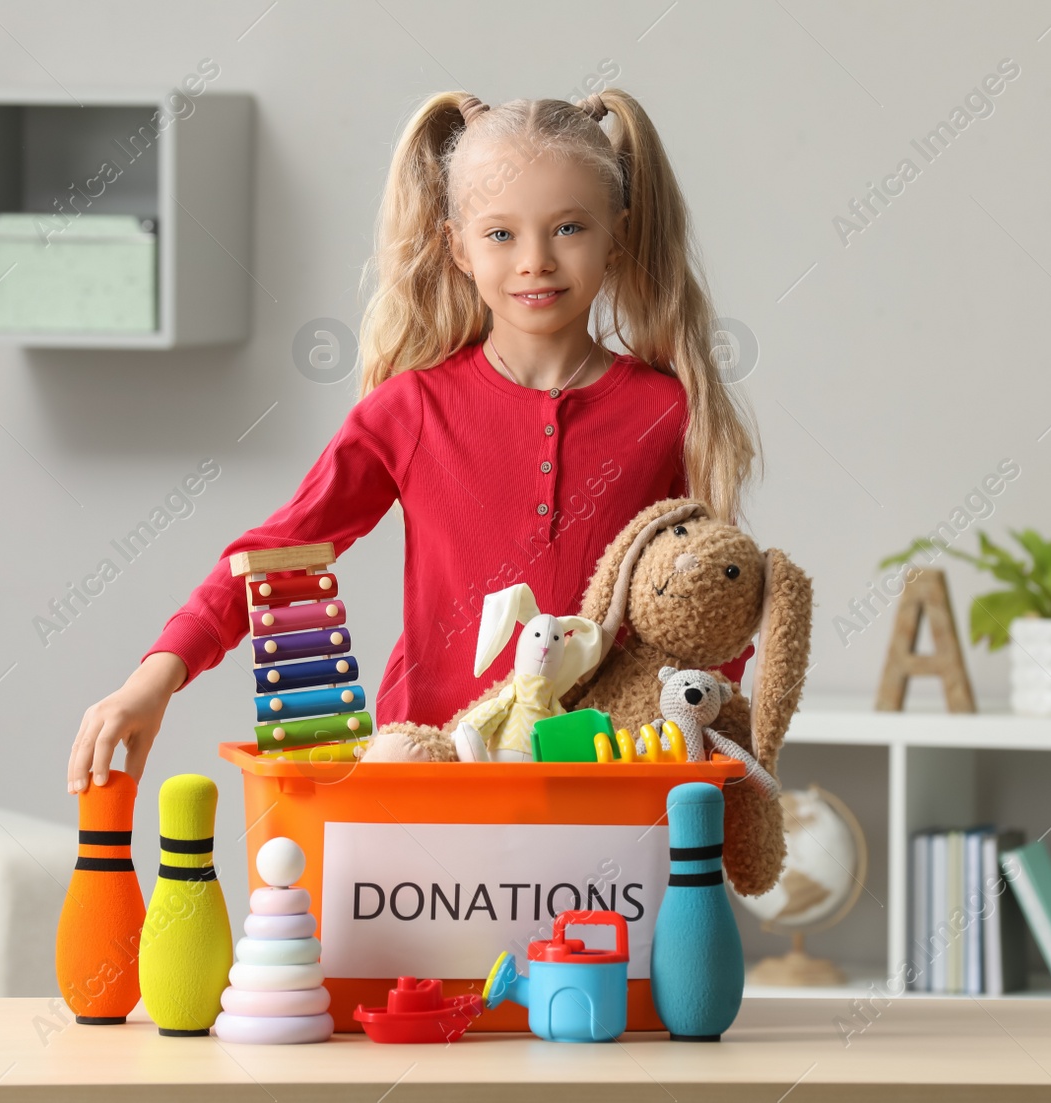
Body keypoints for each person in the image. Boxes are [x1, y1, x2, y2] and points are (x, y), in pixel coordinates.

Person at [67, 89, 762, 794]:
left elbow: (712, 603)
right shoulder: (409, 410)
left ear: (619, 231)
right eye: (500, 234)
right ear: (455, 245)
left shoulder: (668, 411)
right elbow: (277, 552)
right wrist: (154, 678)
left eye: (569, 228)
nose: (535, 261)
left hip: (605, 785)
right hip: (423, 777)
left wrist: (713, 738)